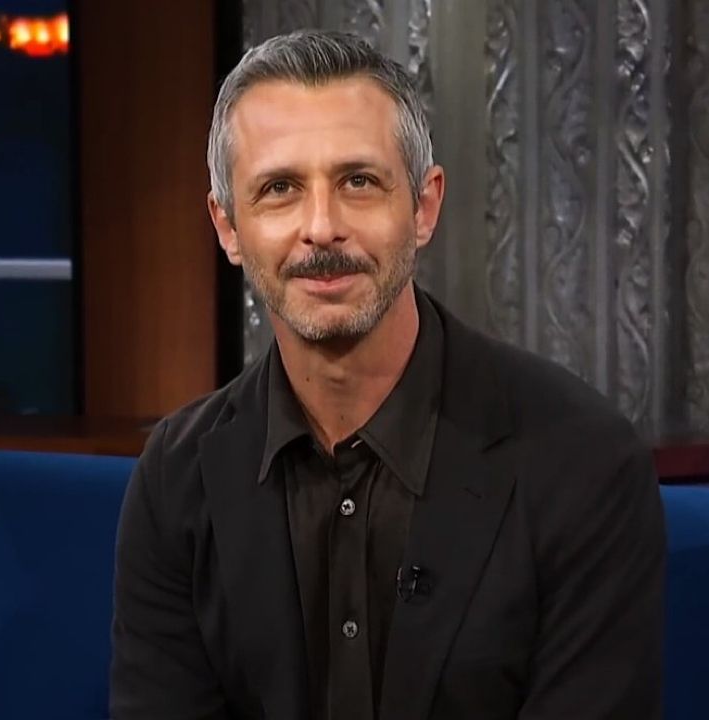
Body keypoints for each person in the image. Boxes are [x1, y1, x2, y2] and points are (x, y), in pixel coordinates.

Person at [110, 29, 665, 720]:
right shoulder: (176, 475)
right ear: (227, 227)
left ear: (423, 207)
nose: (321, 227)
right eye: (279, 189)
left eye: (359, 182)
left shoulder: (580, 463)